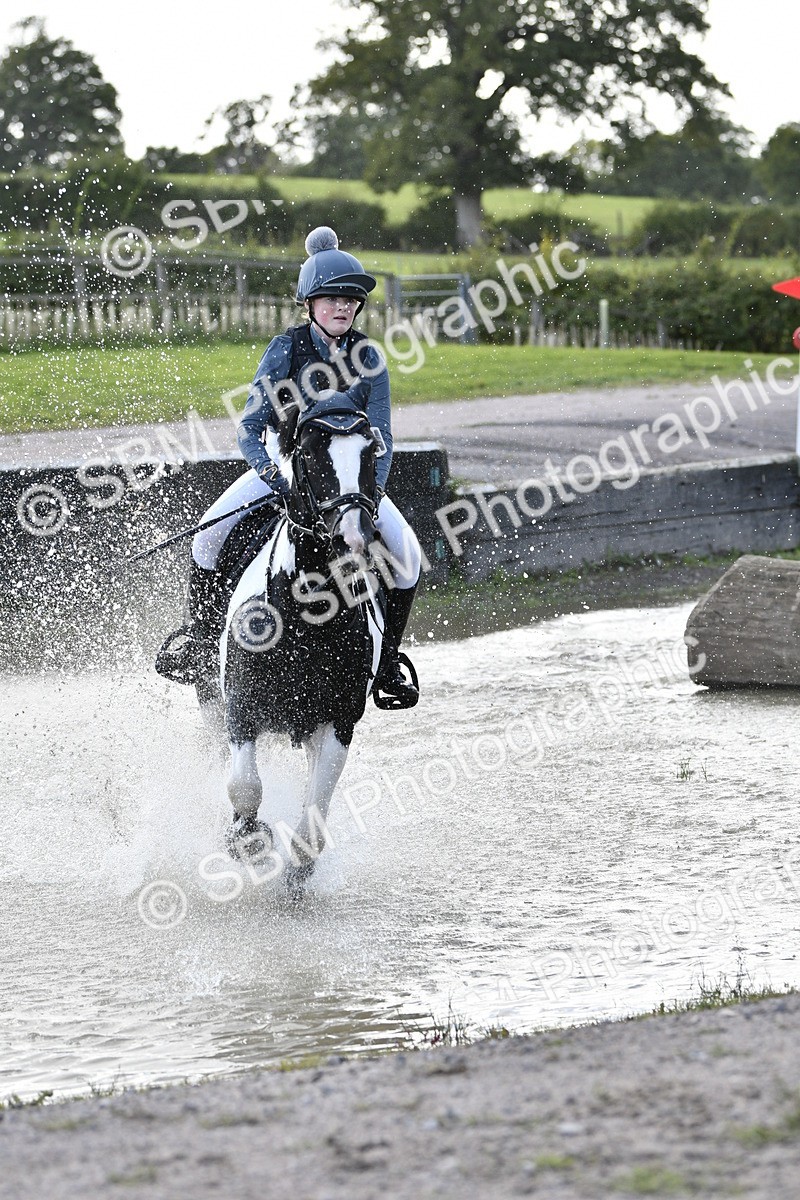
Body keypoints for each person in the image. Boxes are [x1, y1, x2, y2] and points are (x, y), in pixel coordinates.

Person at [157, 225, 421, 708]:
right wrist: (276, 478)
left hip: (351, 480)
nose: (343, 307)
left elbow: (382, 440)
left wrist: (370, 497)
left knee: (407, 556)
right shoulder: (284, 350)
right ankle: (202, 644)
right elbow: (248, 429)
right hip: (285, 467)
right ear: (309, 304)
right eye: (332, 299)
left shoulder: (369, 358)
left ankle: (387, 667)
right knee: (206, 537)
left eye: (351, 300)